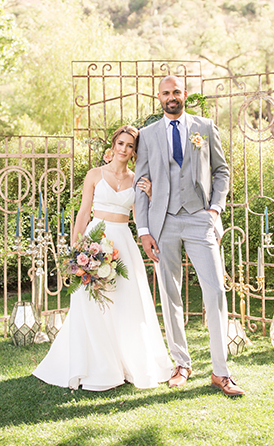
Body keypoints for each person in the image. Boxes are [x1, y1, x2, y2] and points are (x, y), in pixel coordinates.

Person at [33, 125, 173, 391]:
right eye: (121, 143)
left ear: (134, 152)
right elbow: (84, 212)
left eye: (130, 146)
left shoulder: (136, 179)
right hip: (95, 239)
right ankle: (95, 365)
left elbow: (143, 216)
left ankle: (128, 364)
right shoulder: (94, 175)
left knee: (125, 302)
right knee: (91, 303)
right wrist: (77, 248)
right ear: (113, 145)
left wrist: (151, 195)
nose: (124, 149)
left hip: (123, 242)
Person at [134, 76, 245, 397]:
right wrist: (143, 230)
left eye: (177, 92)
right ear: (159, 97)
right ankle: (181, 364)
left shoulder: (205, 127)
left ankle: (221, 371)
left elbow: (221, 170)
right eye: (166, 93)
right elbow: (141, 181)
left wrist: (214, 210)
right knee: (170, 294)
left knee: (215, 291)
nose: (172, 97)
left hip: (199, 218)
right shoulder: (148, 134)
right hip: (163, 221)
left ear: (184, 95)